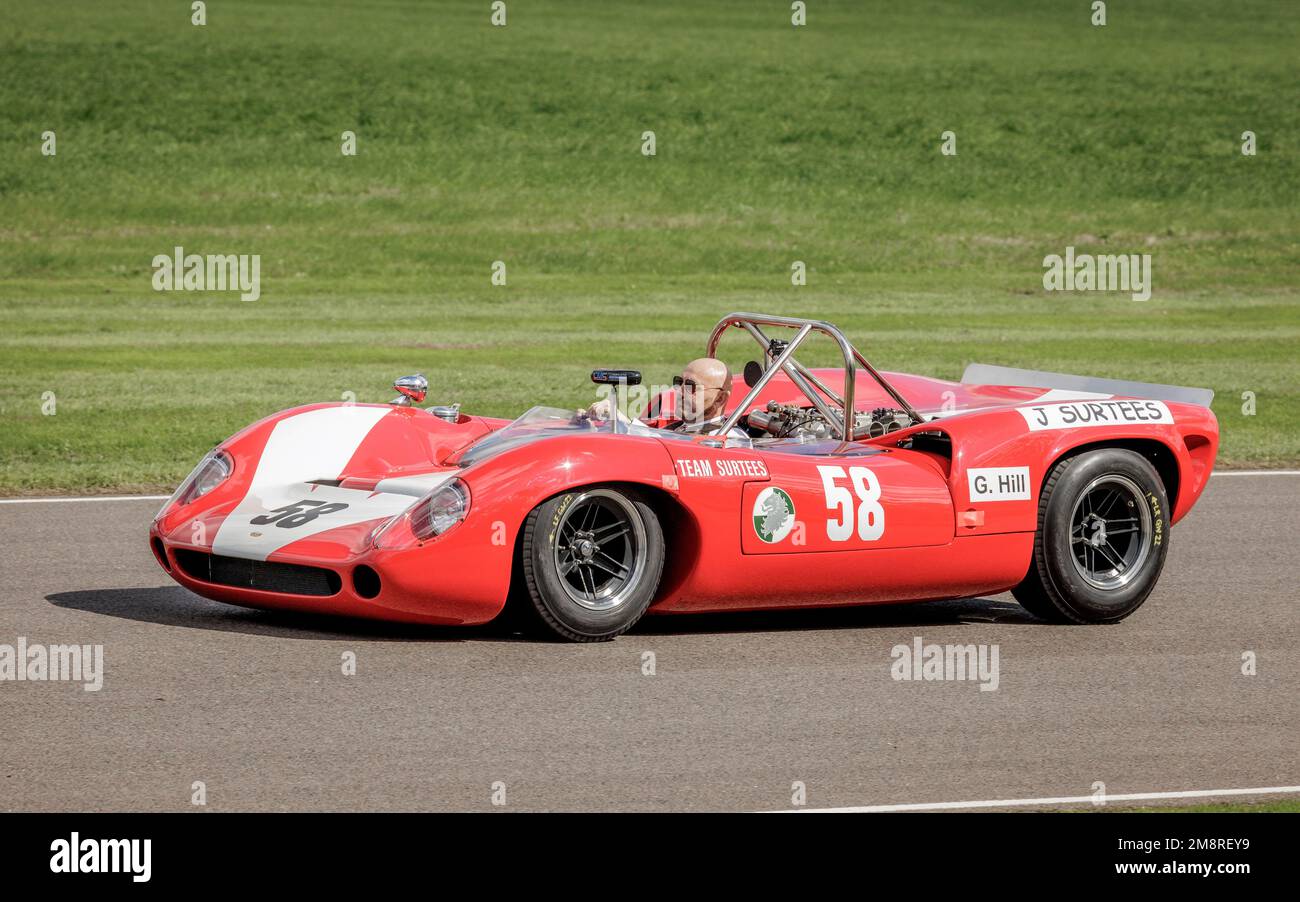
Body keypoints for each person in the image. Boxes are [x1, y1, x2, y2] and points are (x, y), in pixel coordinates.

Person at [582, 357, 748, 440]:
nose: (680, 391)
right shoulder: (678, 427)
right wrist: (602, 422)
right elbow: (652, 437)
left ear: (719, 399)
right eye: (679, 382)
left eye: (690, 386)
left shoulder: (733, 441)